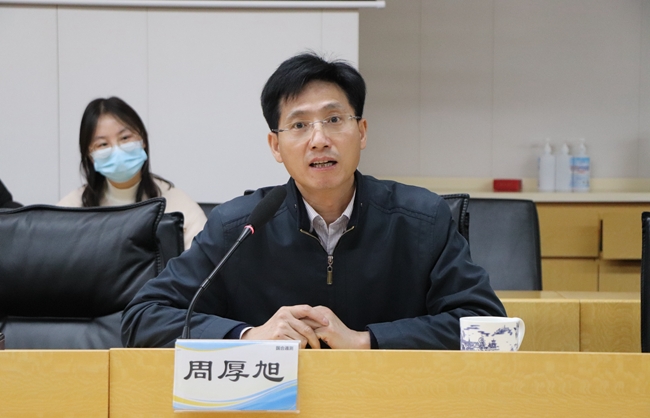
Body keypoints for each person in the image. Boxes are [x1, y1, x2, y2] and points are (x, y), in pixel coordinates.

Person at [122, 53, 506, 349]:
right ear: (275, 145)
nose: (319, 139)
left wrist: (367, 341)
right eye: (299, 125)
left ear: (362, 131)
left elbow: (485, 324)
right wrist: (248, 336)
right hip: (275, 411)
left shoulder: (422, 218)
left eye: (334, 119)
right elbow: (144, 317)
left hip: (392, 405)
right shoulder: (238, 227)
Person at [58, 97, 206, 250]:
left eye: (125, 138)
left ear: (142, 139)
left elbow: (204, 259)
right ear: (90, 155)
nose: (117, 151)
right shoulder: (71, 210)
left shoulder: (178, 206)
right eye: (103, 144)